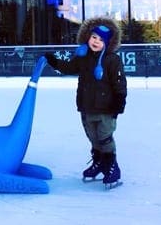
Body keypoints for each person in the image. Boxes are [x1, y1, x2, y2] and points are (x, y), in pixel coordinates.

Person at [45, 17, 127, 188]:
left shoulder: (112, 60)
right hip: (87, 107)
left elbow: (119, 83)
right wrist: (54, 62)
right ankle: (98, 163)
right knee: (94, 139)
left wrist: (119, 102)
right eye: (93, 37)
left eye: (100, 39)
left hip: (106, 109)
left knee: (105, 138)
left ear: (107, 42)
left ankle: (112, 166)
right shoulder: (83, 57)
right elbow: (69, 68)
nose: (96, 42)